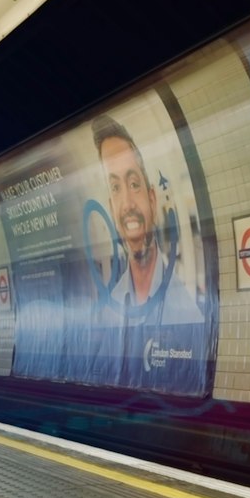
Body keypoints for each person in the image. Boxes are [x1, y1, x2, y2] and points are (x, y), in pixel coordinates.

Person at [90, 114, 207, 394]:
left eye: (134, 184)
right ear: (110, 206)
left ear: (152, 200)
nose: (127, 203)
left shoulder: (187, 311)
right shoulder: (107, 312)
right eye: (116, 188)